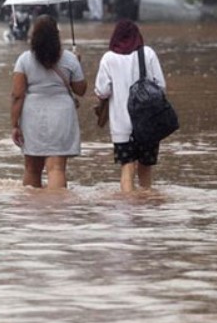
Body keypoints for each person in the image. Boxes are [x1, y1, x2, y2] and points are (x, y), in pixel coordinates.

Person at [11, 14, 86, 189]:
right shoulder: (69, 59)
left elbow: (17, 95)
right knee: (57, 169)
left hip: (33, 115)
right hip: (62, 114)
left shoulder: (24, 59)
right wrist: (77, 64)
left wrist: (14, 124)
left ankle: (32, 211)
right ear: (56, 35)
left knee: (31, 169)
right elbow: (81, 90)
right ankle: (56, 211)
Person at [94, 19, 167, 192]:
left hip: (121, 126)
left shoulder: (108, 58)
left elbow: (101, 91)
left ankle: (128, 211)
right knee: (145, 170)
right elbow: (161, 86)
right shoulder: (148, 54)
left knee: (127, 169)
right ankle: (144, 210)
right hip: (148, 124)